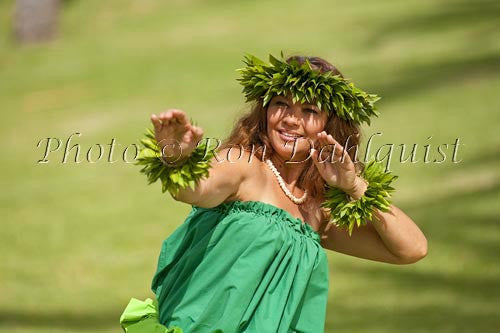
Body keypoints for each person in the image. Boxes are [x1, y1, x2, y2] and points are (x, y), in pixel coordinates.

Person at [119, 54, 428, 333]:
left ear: (329, 125)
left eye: (308, 110)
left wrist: (354, 186)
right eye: (281, 104)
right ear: (265, 111)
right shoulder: (243, 166)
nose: (291, 119)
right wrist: (175, 157)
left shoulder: (317, 212)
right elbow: (193, 189)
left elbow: (411, 249)